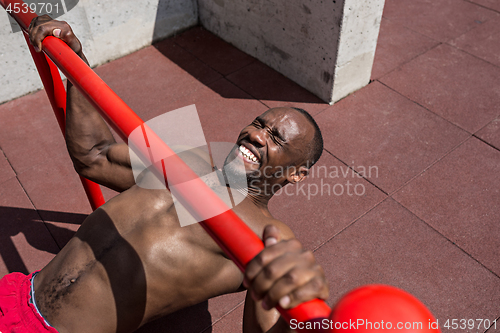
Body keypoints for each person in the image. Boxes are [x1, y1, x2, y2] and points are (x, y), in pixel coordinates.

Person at [0, 15, 329, 333]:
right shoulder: (187, 165)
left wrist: (297, 316)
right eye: (258, 124)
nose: (256, 135)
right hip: (15, 294)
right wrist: (75, 62)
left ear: (295, 174)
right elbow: (95, 157)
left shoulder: (270, 238)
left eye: (276, 138)